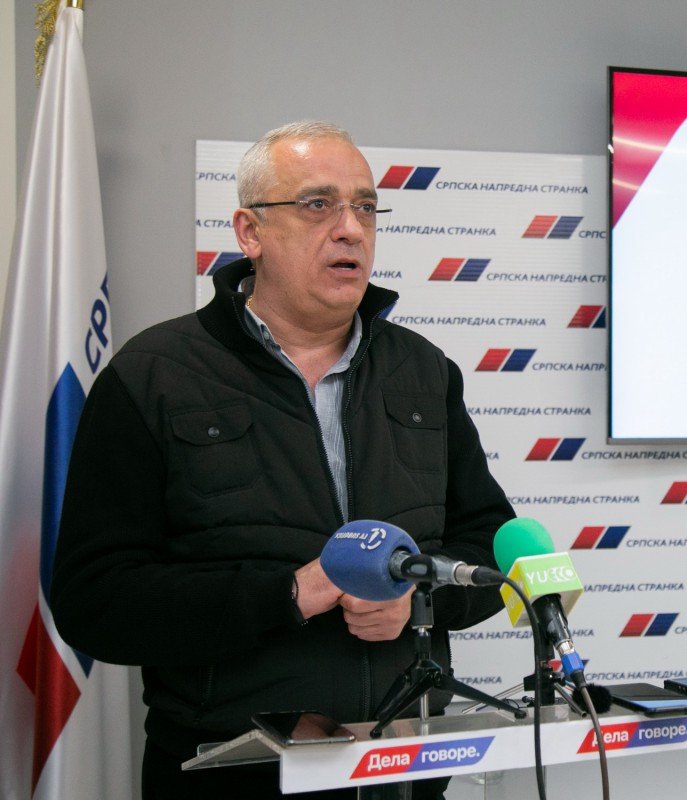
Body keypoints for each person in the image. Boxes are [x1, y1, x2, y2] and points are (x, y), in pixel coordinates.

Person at [50, 121, 515, 799]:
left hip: (401, 770)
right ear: (250, 232)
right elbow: (96, 601)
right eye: (318, 204)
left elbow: (490, 546)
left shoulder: (423, 372)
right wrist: (287, 596)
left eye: (364, 207)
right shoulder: (153, 376)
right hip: (227, 771)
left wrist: (419, 600)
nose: (350, 229)